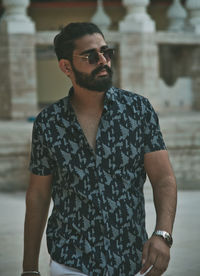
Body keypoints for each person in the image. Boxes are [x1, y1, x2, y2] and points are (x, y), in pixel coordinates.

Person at [22, 22, 177, 276]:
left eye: (106, 52)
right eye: (91, 56)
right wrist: (29, 268)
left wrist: (163, 234)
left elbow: (163, 179)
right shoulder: (48, 123)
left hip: (133, 262)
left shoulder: (138, 111)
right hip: (70, 264)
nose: (103, 60)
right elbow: (38, 196)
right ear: (66, 67)